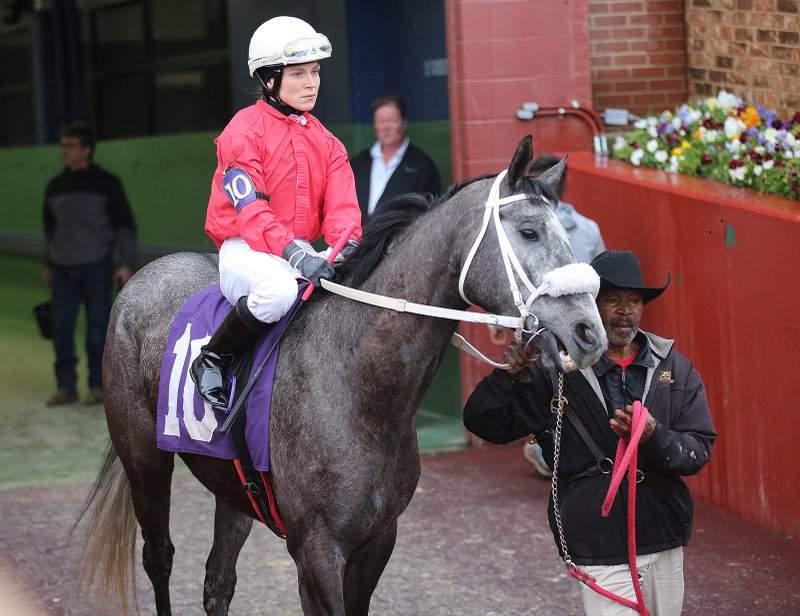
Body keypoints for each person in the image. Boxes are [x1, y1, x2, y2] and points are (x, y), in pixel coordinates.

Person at [463, 250, 716, 616]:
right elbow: (484, 422)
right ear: (590, 307)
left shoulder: (672, 366)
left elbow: (699, 447)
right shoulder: (554, 368)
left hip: (665, 534)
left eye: (634, 301)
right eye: (612, 301)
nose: (625, 311)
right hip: (598, 541)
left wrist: (653, 435)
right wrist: (510, 376)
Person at [191, 16, 362, 407]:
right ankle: (212, 357)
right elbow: (251, 214)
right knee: (278, 292)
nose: (312, 82)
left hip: (298, 253)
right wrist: (298, 255)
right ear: (269, 79)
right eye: (298, 73)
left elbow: (344, 214)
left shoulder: (328, 142)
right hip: (247, 251)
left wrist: (347, 248)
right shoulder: (242, 132)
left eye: (315, 72)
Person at [522, 153, 607, 477]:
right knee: (547, 393)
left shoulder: (587, 229)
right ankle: (546, 449)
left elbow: (601, 283)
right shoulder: (522, 226)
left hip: (576, 328)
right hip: (537, 328)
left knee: (577, 392)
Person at [43, 122, 137, 406]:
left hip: (97, 267)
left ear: (86, 150)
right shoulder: (55, 186)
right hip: (62, 269)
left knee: (99, 331)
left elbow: (124, 226)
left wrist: (126, 262)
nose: (64, 151)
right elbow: (50, 230)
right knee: (61, 328)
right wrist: (48, 263)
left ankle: (98, 386)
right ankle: (66, 386)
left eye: (70, 146)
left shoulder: (107, 184)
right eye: (63, 146)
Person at [350, 95, 441, 219]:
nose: (386, 127)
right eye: (381, 122)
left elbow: (432, 215)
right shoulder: (358, 163)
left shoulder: (423, 166)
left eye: (393, 121)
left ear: (404, 123)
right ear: (374, 125)